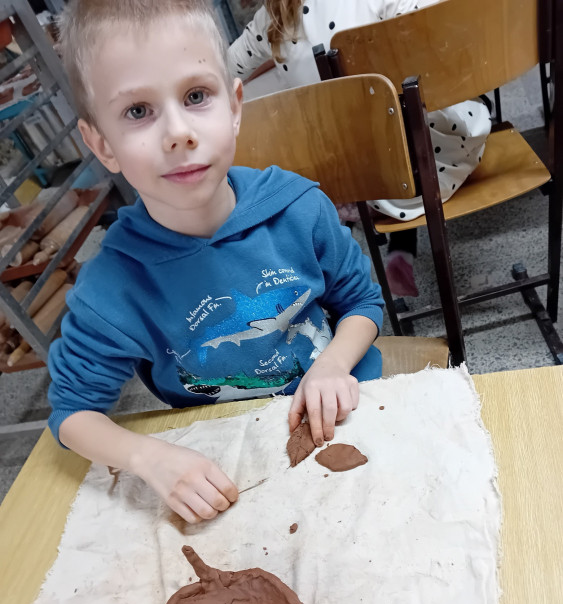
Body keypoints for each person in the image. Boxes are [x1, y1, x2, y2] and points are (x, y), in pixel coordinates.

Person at [48, 0, 384, 525]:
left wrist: (333, 364)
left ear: (234, 106)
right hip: (229, 456)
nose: (178, 132)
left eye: (196, 96)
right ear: (101, 145)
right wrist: (147, 457)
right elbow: (72, 415)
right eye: (137, 111)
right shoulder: (111, 289)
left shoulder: (299, 208)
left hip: (352, 407)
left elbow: (363, 302)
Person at [227, 0, 492, 297]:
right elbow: (440, 29)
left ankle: (343, 275)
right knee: (405, 116)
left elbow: (226, 67)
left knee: (345, 141)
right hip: (435, 162)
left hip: (355, 184)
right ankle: (400, 253)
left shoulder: (271, 20)